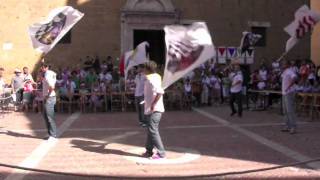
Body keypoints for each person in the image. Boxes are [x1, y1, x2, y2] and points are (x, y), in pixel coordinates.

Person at [142, 61, 166, 159]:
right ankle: (149, 150)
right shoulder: (152, 77)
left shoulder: (153, 78)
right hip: (150, 109)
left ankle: (161, 153)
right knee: (150, 130)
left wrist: (153, 104)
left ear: (148, 69)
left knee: (152, 129)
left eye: (144, 68)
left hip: (155, 109)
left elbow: (160, 92)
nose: (143, 70)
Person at [41, 63, 58, 140]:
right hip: (48, 97)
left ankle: (53, 135)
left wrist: (47, 96)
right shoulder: (50, 73)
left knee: (49, 116)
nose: (41, 69)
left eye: (42, 67)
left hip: (49, 98)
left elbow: (52, 87)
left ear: (46, 67)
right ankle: (50, 133)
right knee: (45, 116)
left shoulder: (48, 75)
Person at [281, 60, 298, 134]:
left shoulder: (290, 71)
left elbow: (294, 78)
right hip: (284, 93)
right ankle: (287, 126)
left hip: (289, 92)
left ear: (287, 65)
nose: (282, 65)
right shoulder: (284, 72)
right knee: (285, 111)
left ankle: (293, 127)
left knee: (290, 110)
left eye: (284, 64)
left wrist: (288, 86)